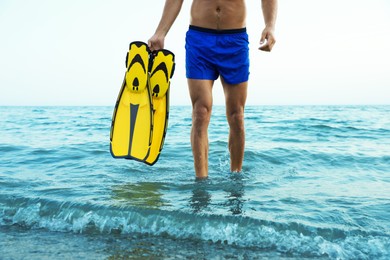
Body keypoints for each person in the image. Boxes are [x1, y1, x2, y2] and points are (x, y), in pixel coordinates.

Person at [148, 0, 278, 179]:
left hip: (235, 40)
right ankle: (201, 184)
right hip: (199, 39)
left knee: (236, 114)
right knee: (200, 112)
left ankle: (236, 180)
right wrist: (161, 32)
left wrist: (270, 26)